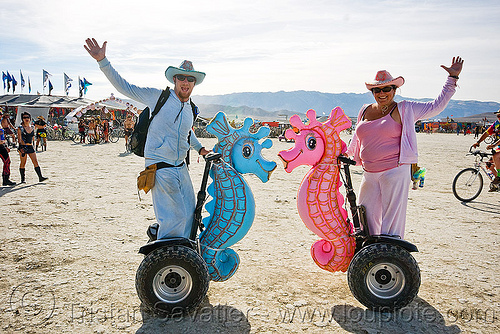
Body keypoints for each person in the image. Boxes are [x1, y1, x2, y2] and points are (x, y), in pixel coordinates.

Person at [84, 38, 210, 240]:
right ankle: (168, 258)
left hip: (181, 167)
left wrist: (201, 149)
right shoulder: (158, 97)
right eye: (181, 77)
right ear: (174, 80)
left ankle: (184, 254)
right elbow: (124, 87)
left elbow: (187, 132)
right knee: (173, 218)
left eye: (190, 79)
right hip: (160, 167)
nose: (186, 82)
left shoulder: (190, 108)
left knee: (190, 214)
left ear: (194, 83)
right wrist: (103, 61)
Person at [346, 56, 463, 239]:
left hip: (395, 171)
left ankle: (389, 259)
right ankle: (369, 256)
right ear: (372, 91)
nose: (382, 93)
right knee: (364, 218)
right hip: (369, 172)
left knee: (391, 222)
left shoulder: (406, 109)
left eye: (387, 88)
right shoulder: (365, 110)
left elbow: (436, 107)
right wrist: (346, 154)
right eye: (377, 89)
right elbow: (357, 137)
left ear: (395, 89)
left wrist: (452, 79)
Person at [17, 112, 48, 183]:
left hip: (30, 146)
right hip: (23, 146)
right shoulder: (20, 128)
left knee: (35, 162)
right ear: (22, 119)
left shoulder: (32, 127)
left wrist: (34, 146)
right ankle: (23, 179)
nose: (26, 119)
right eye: (24, 117)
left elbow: (33, 138)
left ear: (30, 118)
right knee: (23, 163)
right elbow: (19, 138)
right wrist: (21, 147)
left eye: (27, 117)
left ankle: (40, 177)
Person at [472, 109, 500, 186]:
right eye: (498, 116)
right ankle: (497, 184)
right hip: (499, 148)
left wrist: (493, 145)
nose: (499, 117)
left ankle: (499, 178)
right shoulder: (496, 124)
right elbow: (487, 133)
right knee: (489, 165)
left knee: (496, 156)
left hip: (498, 147)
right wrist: (478, 142)